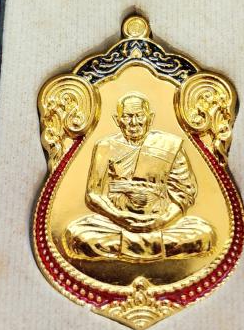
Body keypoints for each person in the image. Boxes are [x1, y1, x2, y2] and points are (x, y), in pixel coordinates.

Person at [64, 92, 215, 262]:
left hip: (161, 222)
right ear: (117, 120)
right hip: (115, 223)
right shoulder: (105, 147)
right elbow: (93, 195)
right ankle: (155, 247)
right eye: (127, 117)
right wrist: (119, 217)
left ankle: (129, 247)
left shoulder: (170, 145)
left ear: (150, 118)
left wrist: (160, 221)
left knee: (204, 235)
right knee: (78, 237)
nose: (134, 123)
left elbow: (184, 195)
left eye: (139, 116)